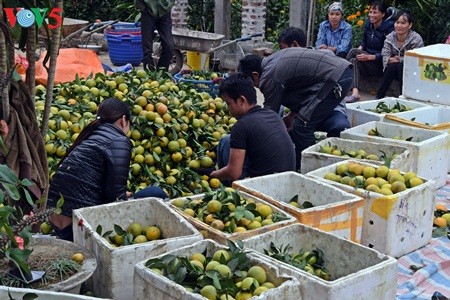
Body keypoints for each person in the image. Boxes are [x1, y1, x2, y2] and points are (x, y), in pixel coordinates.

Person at [47, 98, 167, 241]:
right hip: (77, 228)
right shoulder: (118, 140)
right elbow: (114, 199)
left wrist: (124, 195)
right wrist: (123, 196)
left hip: (56, 222)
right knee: (156, 193)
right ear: (123, 120)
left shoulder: (89, 136)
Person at [238, 48, 353, 170]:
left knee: (302, 126)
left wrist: (251, 137)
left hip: (337, 78)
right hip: (341, 72)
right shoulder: (273, 60)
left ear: (255, 75)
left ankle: (308, 169)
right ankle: (302, 162)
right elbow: (303, 86)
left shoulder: (269, 76)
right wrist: (292, 115)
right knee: (300, 122)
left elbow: (269, 115)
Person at [210, 73, 296, 183]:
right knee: (227, 140)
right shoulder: (272, 114)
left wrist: (213, 175)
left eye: (228, 103)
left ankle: (226, 188)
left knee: (225, 142)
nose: (227, 108)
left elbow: (233, 173)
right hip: (288, 179)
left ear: (241, 100)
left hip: (266, 187)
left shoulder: (241, 126)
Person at [278, 26, 350, 141]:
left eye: (282, 49)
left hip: (330, 112)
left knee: (340, 128)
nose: (281, 54)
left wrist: (293, 114)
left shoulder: (325, 57)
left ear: (295, 45)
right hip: (301, 116)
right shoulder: (287, 68)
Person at [345, 1, 394, 102]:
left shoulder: (389, 29)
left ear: (383, 14)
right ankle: (355, 93)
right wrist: (360, 48)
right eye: (370, 12)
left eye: (375, 12)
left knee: (353, 52)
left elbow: (387, 53)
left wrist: (370, 57)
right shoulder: (368, 25)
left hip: (380, 64)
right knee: (354, 60)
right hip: (367, 62)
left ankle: (338, 77)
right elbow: (363, 42)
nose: (371, 15)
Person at [376, 10, 424, 99]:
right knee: (393, 66)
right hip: (393, 70)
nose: (399, 26)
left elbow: (415, 59)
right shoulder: (390, 37)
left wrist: (399, 59)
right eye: (397, 22)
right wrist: (392, 59)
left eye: (403, 23)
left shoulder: (416, 39)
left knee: (400, 65)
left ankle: (404, 96)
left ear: (410, 25)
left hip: (412, 72)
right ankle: (379, 96)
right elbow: (385, 55)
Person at [135, 0, 175, 70]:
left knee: (169, 45)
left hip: (164, 12)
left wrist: (169, 4)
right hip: (148, 11)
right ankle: (150, 74)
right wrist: (142, 7)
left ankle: (162, 72)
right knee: (147, 47)